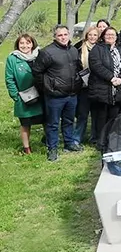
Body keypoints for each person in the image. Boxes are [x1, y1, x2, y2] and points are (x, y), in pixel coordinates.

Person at [32, 25, 84, 161]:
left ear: (69, 35)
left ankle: (69, 143)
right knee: (53, 123)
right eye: (60, 35)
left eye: (65, 34)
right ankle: (52, 148)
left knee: (68, 121)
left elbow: (77, 68)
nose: (63, 37)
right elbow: (37, 72)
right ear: (55, 37)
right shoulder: (47, 52)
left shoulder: (73, 50)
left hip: (72, 94)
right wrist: (47, 88)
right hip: (55, 96)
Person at [88, 27, 121, 147]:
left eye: (113, 35)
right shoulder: (97, 49)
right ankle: (101, 142)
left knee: (114, 117)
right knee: (101, 117)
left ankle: (112, 141)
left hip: (118, 89)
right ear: (103, 36)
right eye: (108, 35)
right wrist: (111, 78)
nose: (110, 37)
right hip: (102, 89)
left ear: (117, 37)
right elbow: (96, 66)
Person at [6, 34, 44, 155]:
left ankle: (48, 141)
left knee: (46, 120)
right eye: (22, 43)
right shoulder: (12, 59)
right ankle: (26, 148)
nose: (25, 46)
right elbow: (9, 79)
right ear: (17, 45)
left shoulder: (39, 55)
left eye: (28, 43)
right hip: (24, 97)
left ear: (32, 44)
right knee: (25, 123)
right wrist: (16, 96)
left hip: (41, 94)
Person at [76, 27, 99, 144]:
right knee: (82, 114)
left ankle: (94, 138)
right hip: (83, 87)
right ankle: (77, 138)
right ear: (86, 36)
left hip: (97, 86)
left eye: (95, 35)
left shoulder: (101, 48)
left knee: (96, 115)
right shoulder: (79, 49)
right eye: (90, 35)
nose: (92, 37)